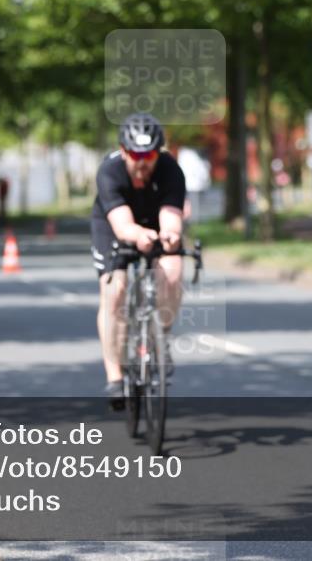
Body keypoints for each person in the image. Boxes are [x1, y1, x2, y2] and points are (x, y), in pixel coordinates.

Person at [91, 113, 186, 409]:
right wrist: (139, 235)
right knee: (115, 290)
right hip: (114, 227)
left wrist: (169, 236)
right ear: (123, 151)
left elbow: (171, 220)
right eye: (135, 154)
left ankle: (160, 340)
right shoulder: (110, 171)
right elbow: (122, 226)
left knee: (173, 270)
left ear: (159, 152)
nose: (142, 161)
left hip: (154, 222)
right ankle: (115, 375)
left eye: (149, 154)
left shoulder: (171, 170)